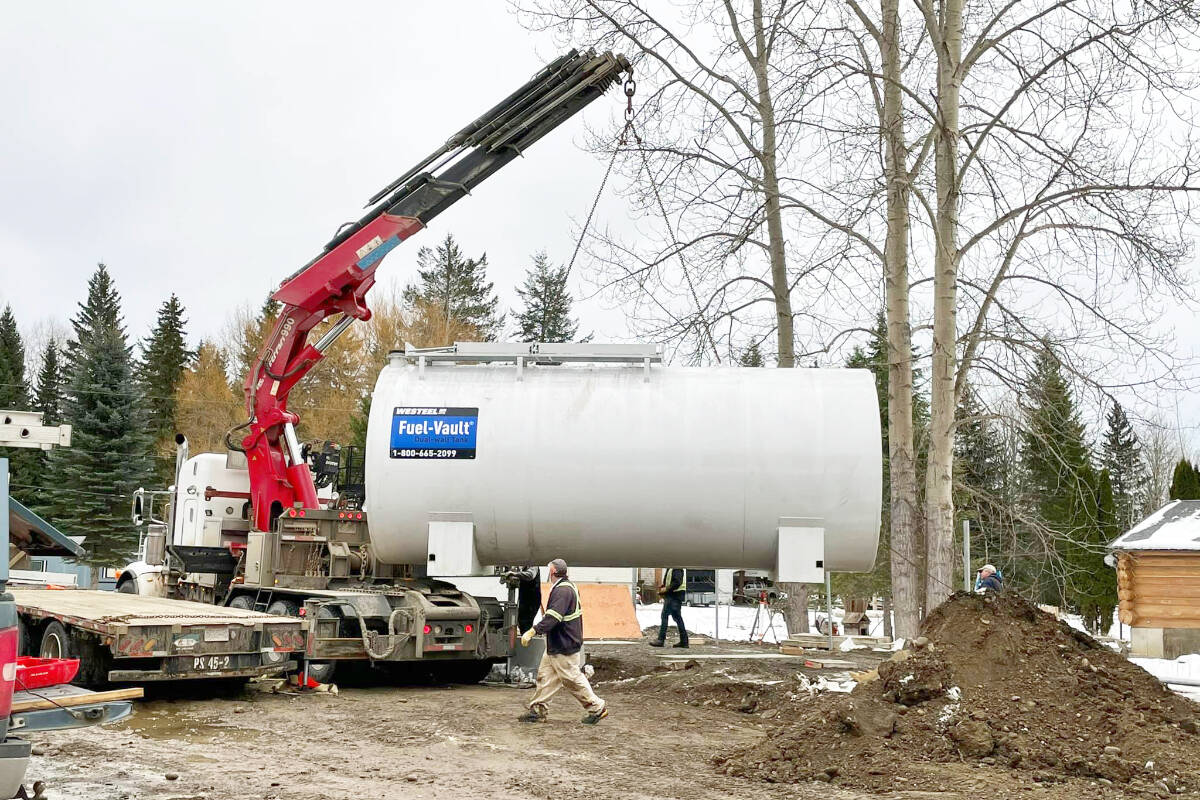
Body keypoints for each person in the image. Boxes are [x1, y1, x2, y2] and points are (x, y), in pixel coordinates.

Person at [517, 558, 608, 724]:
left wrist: (532, 631)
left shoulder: (562, 591)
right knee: (545, 677)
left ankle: (597, 708)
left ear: (552, 572)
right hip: (558, 644)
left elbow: (553, 617)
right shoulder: (567, 587)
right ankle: (538, 710)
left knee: (572, 679)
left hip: (563, 645)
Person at [649, 568, 688, 648]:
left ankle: (661, 640)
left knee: (665, 615)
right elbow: (670, 581)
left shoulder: (676, 568)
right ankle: (684, 641)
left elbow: (677, 582)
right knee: (677, 617)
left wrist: (666, 589)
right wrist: (663, 588)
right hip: (674, 596)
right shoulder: (671, 568)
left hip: (674, 596)